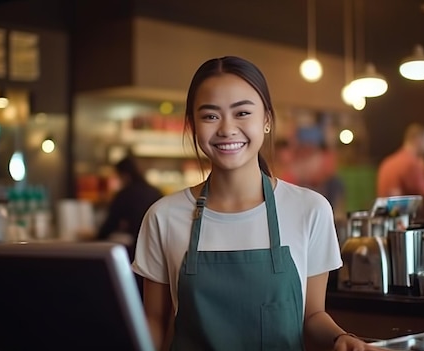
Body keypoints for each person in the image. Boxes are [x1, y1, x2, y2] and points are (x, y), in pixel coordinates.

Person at [132, 56, 380, 351]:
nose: (226, 129)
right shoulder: (163, 216)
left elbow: (312, 316)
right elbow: (155, 321)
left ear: (266, 120)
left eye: (242, 113)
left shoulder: (310, 210)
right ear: (193, 125)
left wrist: (342, 338)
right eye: (210, 116)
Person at [97, 154, 163, 262]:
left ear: (125, 175)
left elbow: (110, 224)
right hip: (156, 247)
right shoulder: (155, 192)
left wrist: (95, 237)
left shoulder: (125, 194)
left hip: (134, 250)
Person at [376, 123, 424, 199]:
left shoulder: (387, 162)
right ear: (419, 140)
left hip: (386, 210)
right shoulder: (412, 163)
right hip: (406, 210)